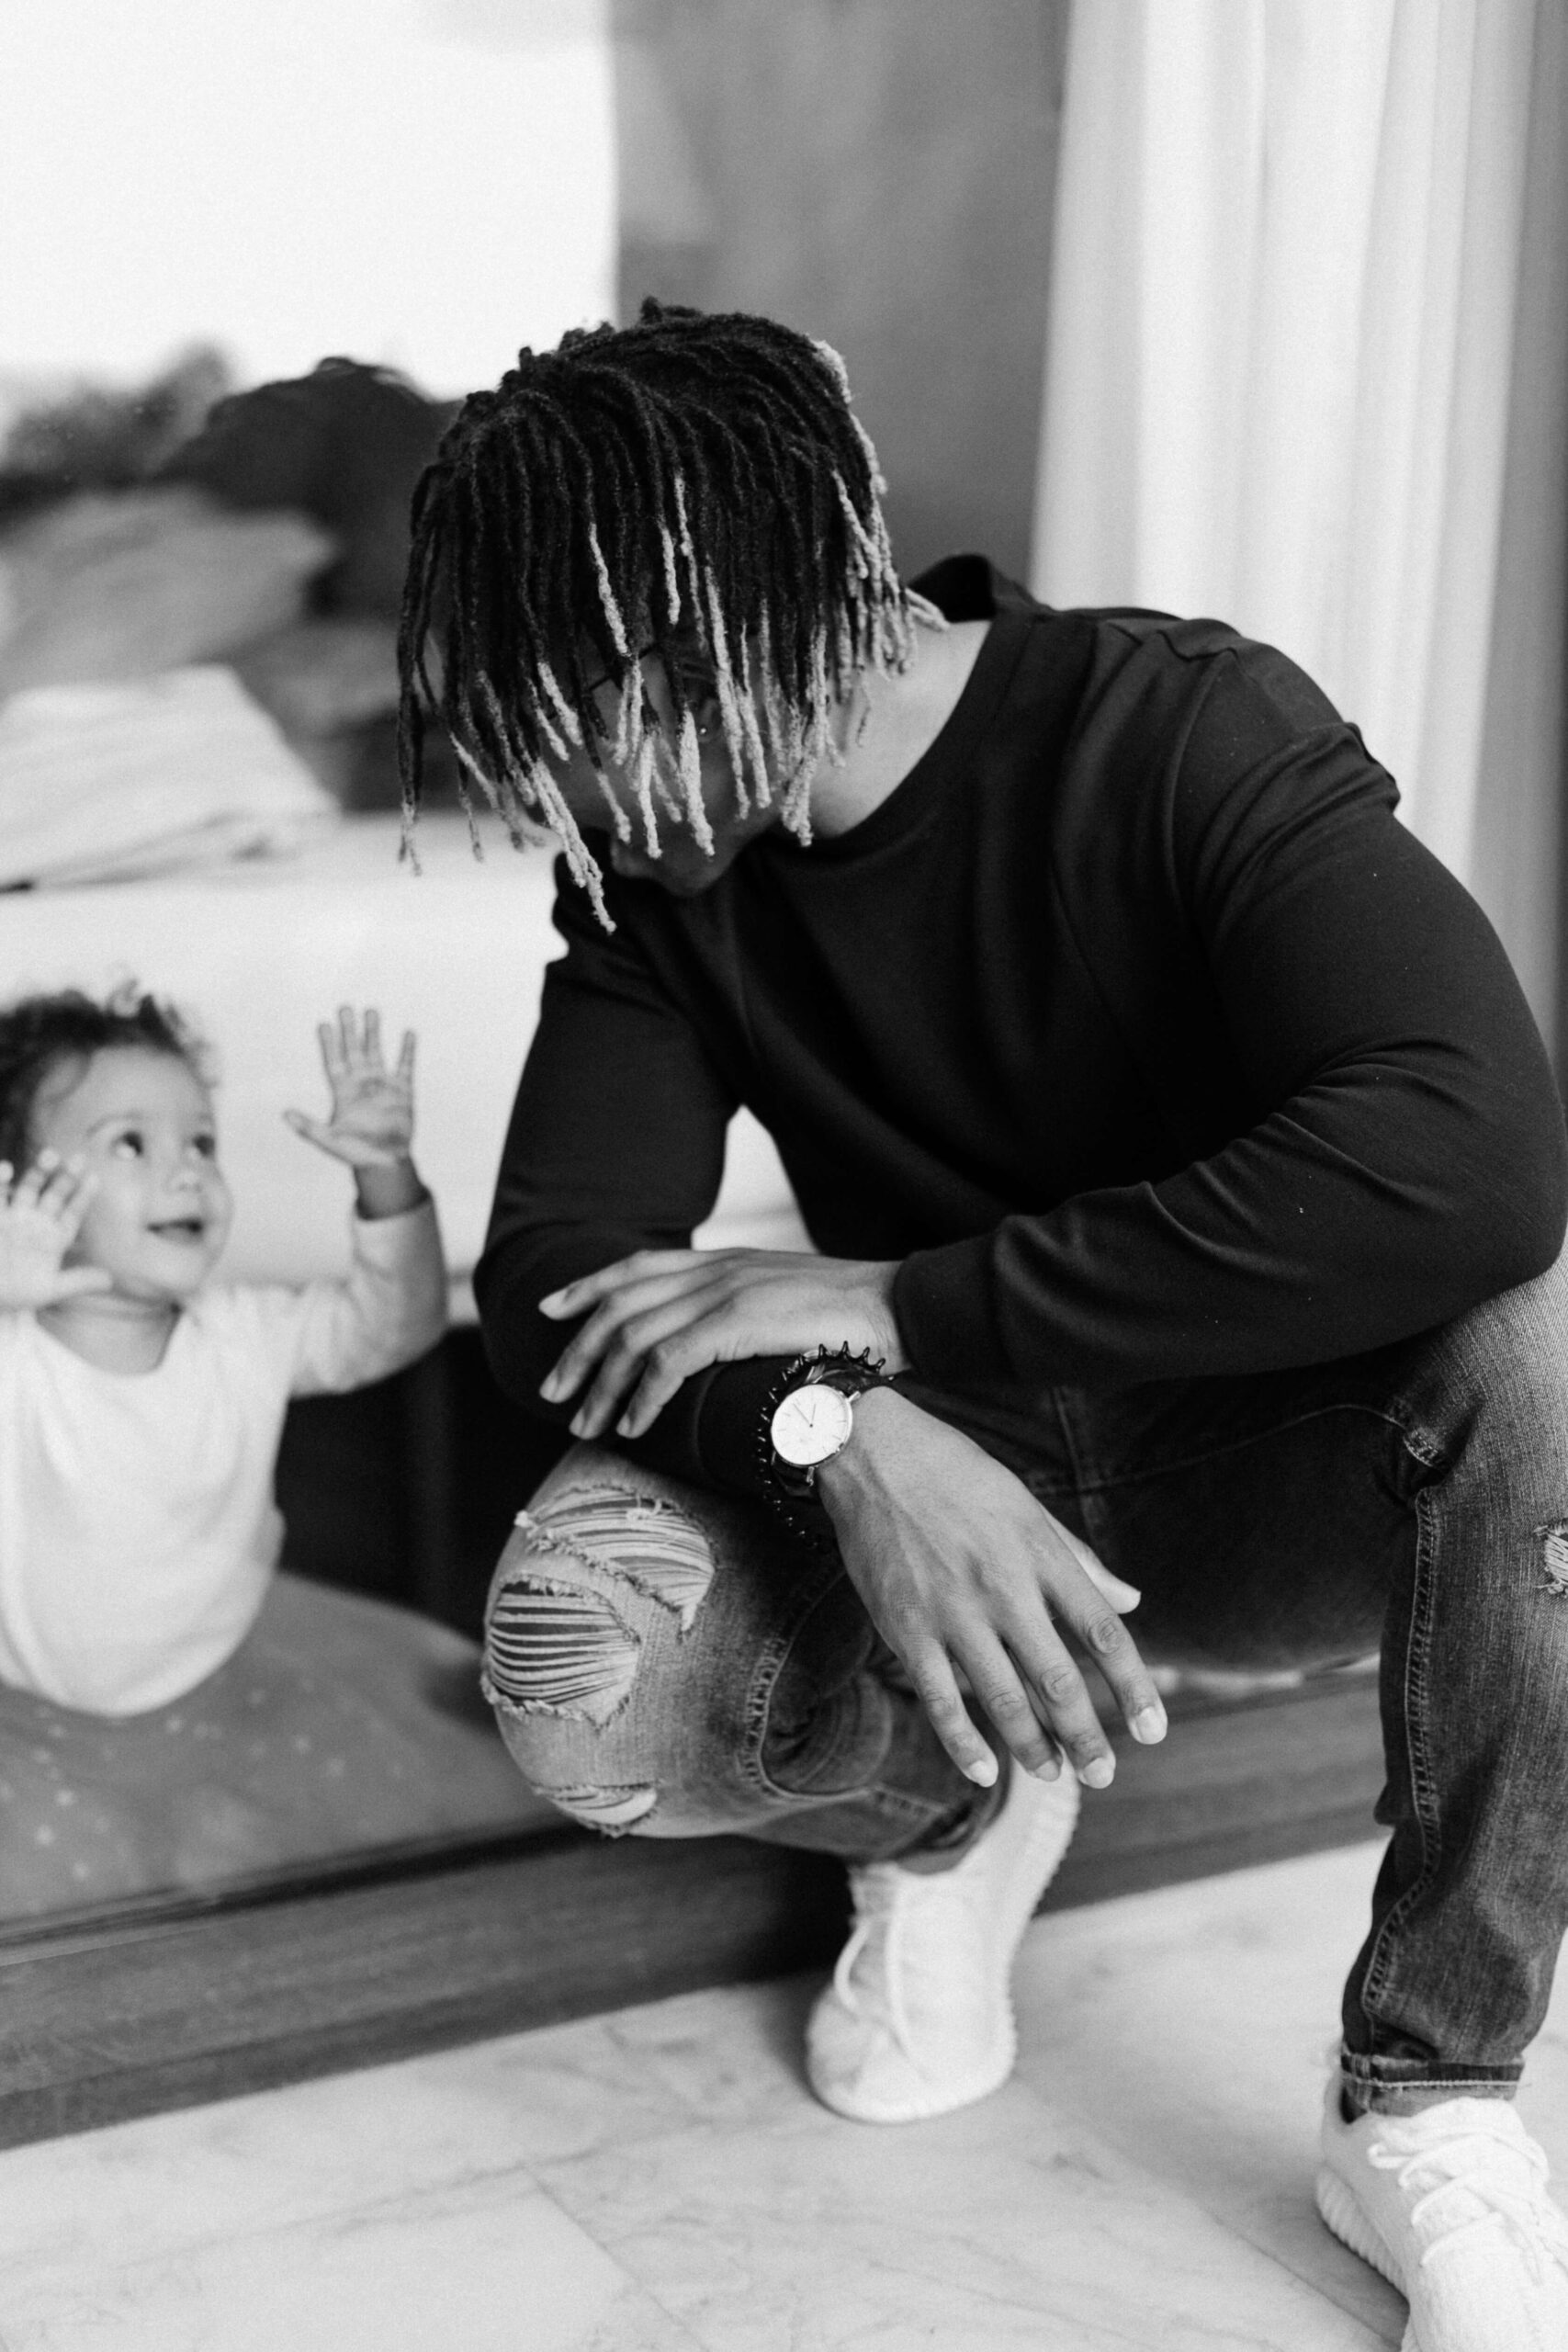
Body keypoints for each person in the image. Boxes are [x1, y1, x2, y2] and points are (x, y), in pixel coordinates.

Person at [396, 300, 1568, 2348]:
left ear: (726, 617)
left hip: (1264, 1463)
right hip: (961, 1485)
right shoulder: (668, 891)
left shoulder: (1175, 729)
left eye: (577, 727)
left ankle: (1427, 2085)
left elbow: (1467, 1152)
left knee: (1543, 1336)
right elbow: (555, 1274)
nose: (562, 801)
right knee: (578, 1640)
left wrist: (903, 1295)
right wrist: (844, 1429)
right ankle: (961, 1811)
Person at [0, 990, 446, 1714]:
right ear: (18, 1191)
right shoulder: (13, 1348)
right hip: (19, 1699)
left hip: (218, 1669)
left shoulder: (244, 1335)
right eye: (131, 1143)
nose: (187, 1173)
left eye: (201, 1142)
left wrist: (386, 1176)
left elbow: (393, 1329)